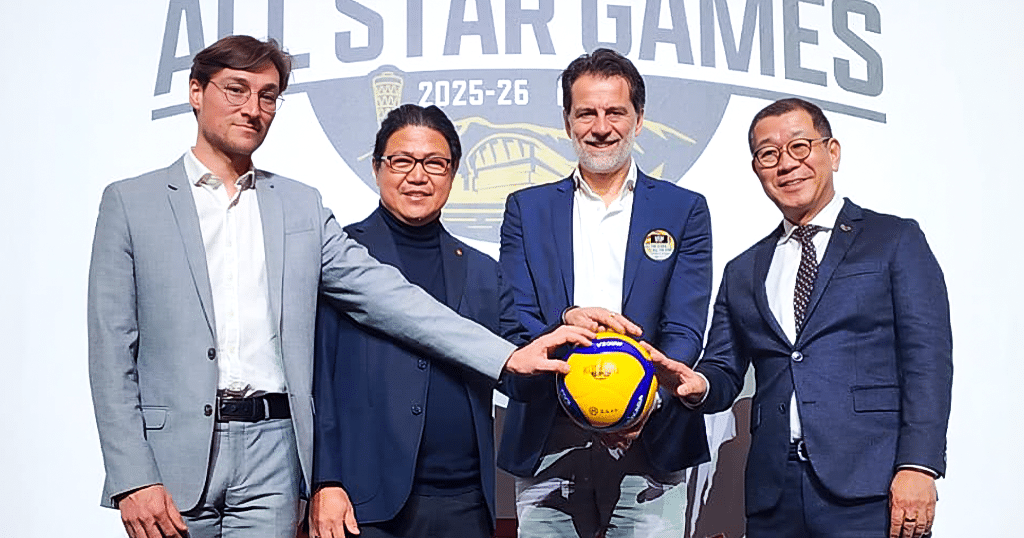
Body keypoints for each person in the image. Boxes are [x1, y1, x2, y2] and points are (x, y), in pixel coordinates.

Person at [87, 35, 590, 538]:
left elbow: (392, 299)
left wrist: (509, 357)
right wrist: (132, 476)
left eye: (267, 96)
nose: (253, 108)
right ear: (196, 92)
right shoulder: (131, 203)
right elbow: (111, 355)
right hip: (173, 457)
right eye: (236, 90)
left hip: (273, 458)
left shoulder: (300, 207)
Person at [651, 97, 953, 538]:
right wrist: (699, 387)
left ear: (832, 152)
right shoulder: (743, 270)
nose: (786, 164)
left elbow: (927, 360)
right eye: (768, 154)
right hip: (775, 493)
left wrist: (918, 466)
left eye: (799, 146)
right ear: (757, 170)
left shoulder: (894, 239)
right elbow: (723, 369)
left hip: (874, 487)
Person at [496, 48, 714, 538]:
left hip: (650, 436)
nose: (600, 127)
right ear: (567, 121)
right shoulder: (526, 209)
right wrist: (564, 319)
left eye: (615, 112)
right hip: (549, 437)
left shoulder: (683, 209)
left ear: (639, 118)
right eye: (586, 113)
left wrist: (640, 402)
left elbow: (684, 328)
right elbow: (514, 319)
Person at [308, 104, 518, 538]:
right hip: (365, 505)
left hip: (466, 503)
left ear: (453, 172)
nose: (418, 176)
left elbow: (518, 365)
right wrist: (324, 481)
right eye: (402, 161)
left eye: (434, 163)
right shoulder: (340, 257)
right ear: (376, 168)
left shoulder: (483, 270)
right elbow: (316, 381)